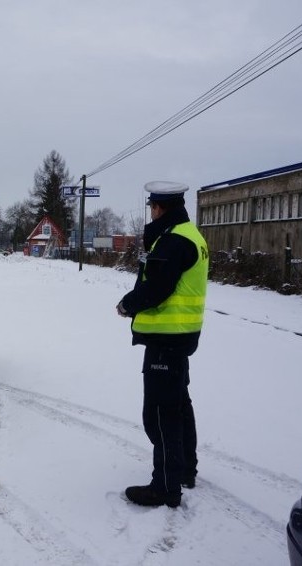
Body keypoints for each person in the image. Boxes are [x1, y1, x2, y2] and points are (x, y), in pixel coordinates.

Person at [115, 181, 209, 509]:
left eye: (151, 207)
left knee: (159, 414)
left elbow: (156, 288)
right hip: (180, 336)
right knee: (179, 404)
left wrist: (127, 304)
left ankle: (165, 486)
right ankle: (183, 470)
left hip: (166, 339)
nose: (150, 212)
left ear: (158, 208)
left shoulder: (172, 241)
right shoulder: (189, 234)